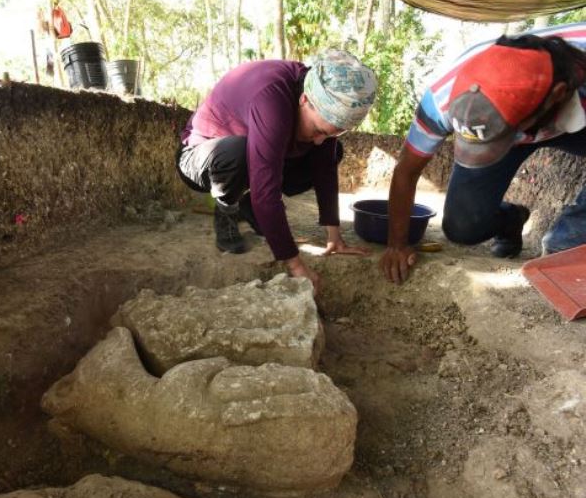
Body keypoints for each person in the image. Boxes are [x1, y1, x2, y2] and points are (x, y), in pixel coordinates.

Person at [381, 22, 586, 284]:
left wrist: (574, 233)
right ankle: (510, 220)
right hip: (518, 129)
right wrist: (396, 245)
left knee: (570, 245)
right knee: (463, 227)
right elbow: (407, 170)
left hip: (573, 123)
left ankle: (571, 242)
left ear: (557, 95)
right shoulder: (441, 99)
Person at [177, 50, 377, 294]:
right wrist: (295, 264)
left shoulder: (319, 99)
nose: (317, 141)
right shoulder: (272, 100)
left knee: (330, 152)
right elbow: (266, 192)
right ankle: (226, 208)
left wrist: (333, 234)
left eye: (329, 133)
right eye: (317, 130)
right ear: (304, 99)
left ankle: (247, 203)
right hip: (201, 157)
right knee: (240, 153)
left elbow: (324, 167)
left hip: (254, 154)